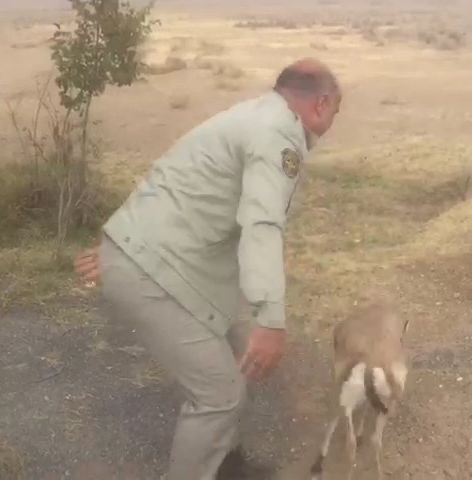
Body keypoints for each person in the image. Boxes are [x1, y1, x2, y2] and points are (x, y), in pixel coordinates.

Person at [73, 58, 342, 480]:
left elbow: (176, 174)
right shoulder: (279, 134)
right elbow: (262, 224)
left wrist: (123, 241)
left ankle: (222, 465)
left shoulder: (251, 115)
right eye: (336, 112)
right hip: (153, 268)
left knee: (233, 354)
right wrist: (270, 319)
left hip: (154, 260)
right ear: (322, 103)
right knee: (219, 394)